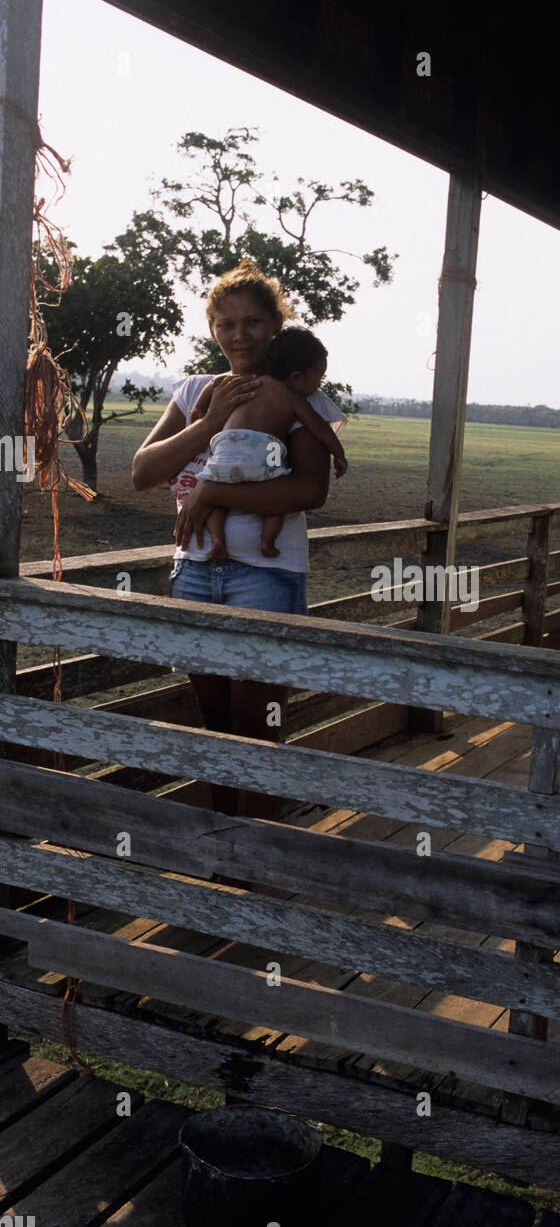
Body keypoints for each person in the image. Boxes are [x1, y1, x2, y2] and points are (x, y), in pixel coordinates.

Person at [131, 259, 347, 823]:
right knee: (218, 723)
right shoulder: (195, 391)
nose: (239, 334)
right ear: (212, 330)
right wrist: (208, 422)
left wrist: (213, 497)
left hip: (265, 574)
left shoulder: (301, 396)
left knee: (258, 725)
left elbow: (309, 490)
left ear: (277, 325)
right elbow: (142, 472)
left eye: (253, 322)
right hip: (195, 571)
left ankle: (257, 855)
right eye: (226, 324)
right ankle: (225, 845)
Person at [189, 326, 348, 561]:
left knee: (216, 499)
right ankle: (267, 541)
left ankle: (218, 539)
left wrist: (199, 410)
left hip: (226, 448)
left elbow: (215, 384)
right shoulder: (292, 397)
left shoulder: (245, 382)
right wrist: (339, 453)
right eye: (319, 377)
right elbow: (318, 427)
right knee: (275, 501)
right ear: (295, 378)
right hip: (260, 453)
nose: (319, 384)